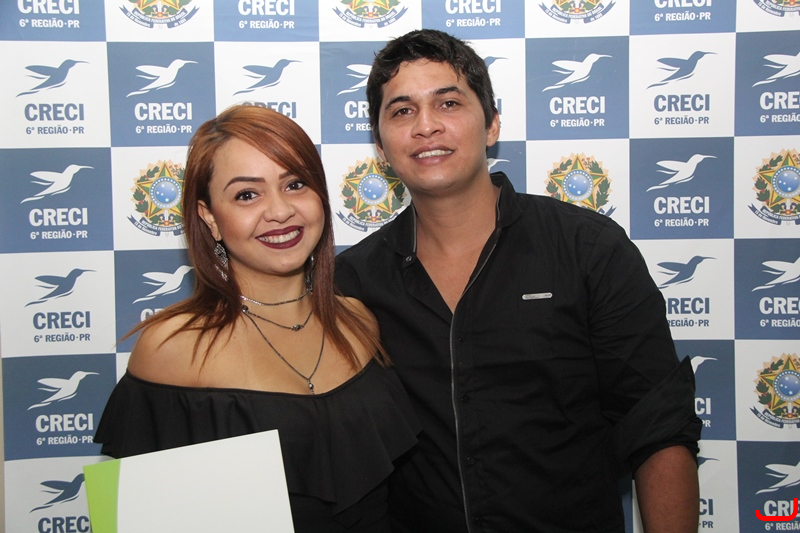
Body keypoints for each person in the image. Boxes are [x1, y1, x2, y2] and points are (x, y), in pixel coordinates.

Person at [335, 29, 702, 533]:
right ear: (380, 144)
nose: (426, 126)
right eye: (402, 111)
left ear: (491, 124)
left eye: (448, 103)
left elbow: (657, 427)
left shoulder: (587, 249)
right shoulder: (354, 281)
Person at [95, 104, 419, 532]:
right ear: (209, 217)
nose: (279, 211)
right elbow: (138, 521)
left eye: (295, 184)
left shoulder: (359, 323)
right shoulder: (173, 347)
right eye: (247, 194)